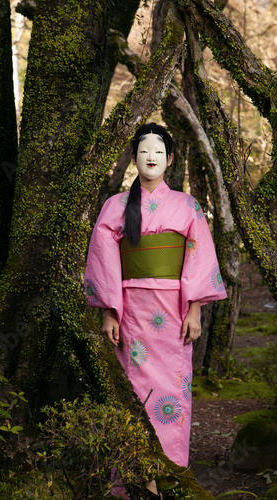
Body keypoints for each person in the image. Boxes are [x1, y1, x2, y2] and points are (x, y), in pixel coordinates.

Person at [84, 122, 227, 467]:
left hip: (175, 311)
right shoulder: (115, 206)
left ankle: (171, 471)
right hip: (131, 312)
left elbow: (198, 256)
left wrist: (194, 310)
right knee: (133, 392)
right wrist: (109, 312)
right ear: (133, 157)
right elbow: (104, 261)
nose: (151, 157)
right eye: (144, 151)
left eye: (159, 152)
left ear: (171, 159)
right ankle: (132, 478)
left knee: (173, 393)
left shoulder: (187, 206)